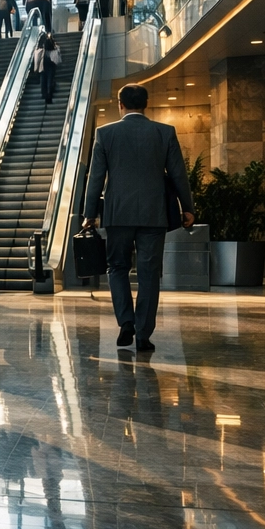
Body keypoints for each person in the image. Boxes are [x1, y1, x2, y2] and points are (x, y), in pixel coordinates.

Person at [82, 84, 195, 352]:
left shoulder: (105, 133)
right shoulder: (164, 132)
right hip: (153, 214)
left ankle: (126, 322)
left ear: (120, 104)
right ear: (146, 103)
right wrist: (188, 207)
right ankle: (143, 334)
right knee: (149, 273)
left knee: (117, 267)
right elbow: (178, 174)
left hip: (117, 214)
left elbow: (96, 177)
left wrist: (89, 214)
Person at [34, 31, 61, 104]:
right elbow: (57, 60)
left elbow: (37, 59)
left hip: (43, 68)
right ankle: (49, 96)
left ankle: (45, 95)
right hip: (51, 68)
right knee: (50, 82)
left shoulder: (42, 52)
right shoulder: (54, 51)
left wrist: (36, 68)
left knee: (43, 82)